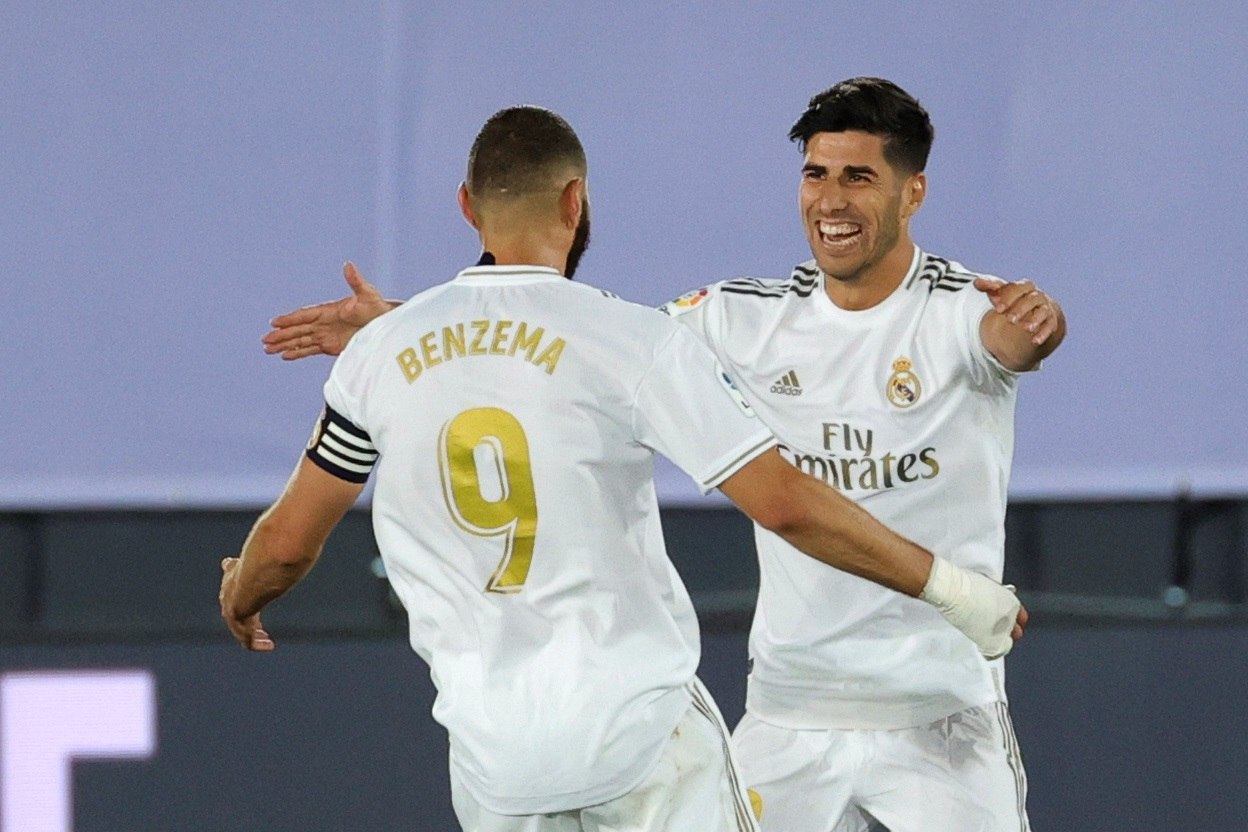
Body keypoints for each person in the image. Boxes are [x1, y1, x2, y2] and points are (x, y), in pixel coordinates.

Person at [252, 86, 1048, 832]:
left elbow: (1017, 342)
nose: (831, 198)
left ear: (913, 192)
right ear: (577, 202)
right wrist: (961, 593)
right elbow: (580, 353)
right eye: (816, 174)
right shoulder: (706, 327)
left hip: (511, 762)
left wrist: (400, 331)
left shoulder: (965, 309)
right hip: (727, 724)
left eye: (858, 177)